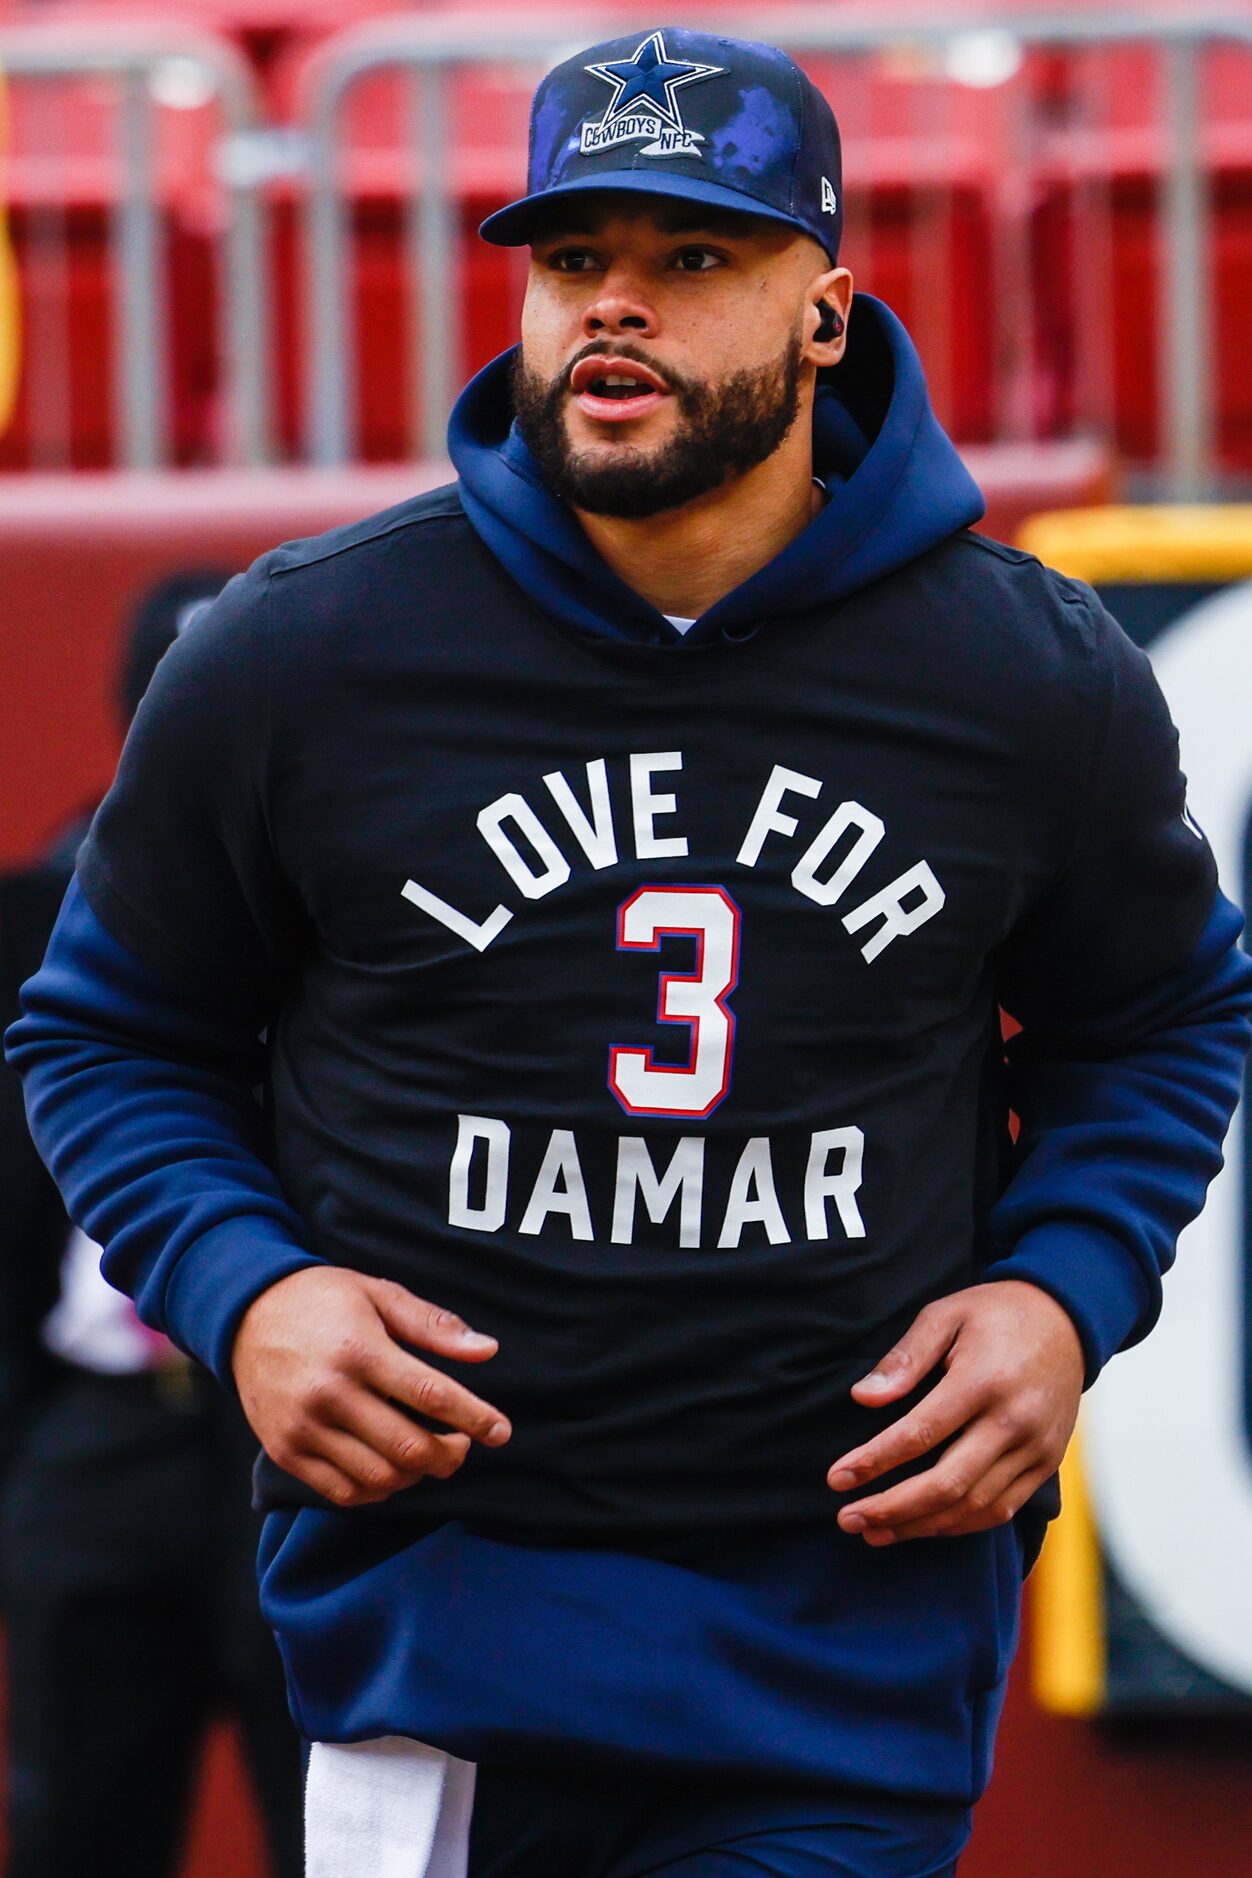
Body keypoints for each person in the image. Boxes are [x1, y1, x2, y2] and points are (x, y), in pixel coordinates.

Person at [7, 28, 1252, 1877]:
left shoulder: (1025, 675)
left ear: (825, 310)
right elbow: (111, 1032)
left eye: (693, 260)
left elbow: (1156, 1021)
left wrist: (1059, 1292)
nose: (617, 308)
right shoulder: (304, 654)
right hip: (436, 1622)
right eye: (575, 257)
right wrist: (246, 1285)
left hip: (845, 1629)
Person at [0, 573, 304, 1878]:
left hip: (294, 1414)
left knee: (342, 1821)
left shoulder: (360, 910)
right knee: (79, 1818)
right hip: (99, 1420)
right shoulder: (33, 904)